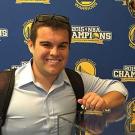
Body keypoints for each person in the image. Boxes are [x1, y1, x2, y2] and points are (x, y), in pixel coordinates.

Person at [2, 14, 128, 135]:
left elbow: (119, 89)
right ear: (31, 45)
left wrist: (103, 102)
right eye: (46, 45)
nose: (55, 52)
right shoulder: (4, 85)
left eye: (62, 46)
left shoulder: (76, 81)